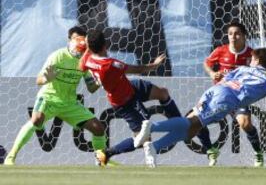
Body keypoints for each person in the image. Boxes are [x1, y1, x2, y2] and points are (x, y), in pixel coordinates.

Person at [133, 48, 266, 168]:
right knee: (192, 123)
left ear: (257, 61)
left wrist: (205, 98)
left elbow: (224, 80)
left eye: (252, 59)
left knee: (191, 129)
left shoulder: (244, 69)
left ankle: (153, 148)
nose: (250, 61)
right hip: (227, 100)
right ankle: (151, 127)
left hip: (215, 91)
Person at [4, 26, 106, 165]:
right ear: (70, 41)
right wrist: (47, 78)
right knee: (36, 120)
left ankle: (101, 160)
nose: (79, 45)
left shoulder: (85, 60)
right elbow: (39, 80)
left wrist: (99, 81)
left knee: (98, 128)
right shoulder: (58, 56)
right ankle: (11, 156)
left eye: (82, 41)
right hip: (49, 98)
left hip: (69, 103)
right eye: (76, 39)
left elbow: (91, 88)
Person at [79, 29, 181, 166]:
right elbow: (137, 69)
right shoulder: (110, 65)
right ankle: (106, 153)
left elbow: (80, 66)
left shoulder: (88, 59)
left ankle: (180, 125)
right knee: (143, 138)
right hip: (125, 101)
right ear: (105, 45)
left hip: (130, 87)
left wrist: (87, 48)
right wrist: (155, 65)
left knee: (162, 93)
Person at [198, 22, 266, 166]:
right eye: (230, 34)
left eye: (237, 33)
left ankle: (258, 153)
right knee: (197, 120)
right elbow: (206, 63)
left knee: (245, 124)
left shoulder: (253, 55)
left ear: (244, 36)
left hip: (238, 98)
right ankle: (210, 150)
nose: (233, 37)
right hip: (219, 97)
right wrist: (212, 73)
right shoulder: (220, 50)